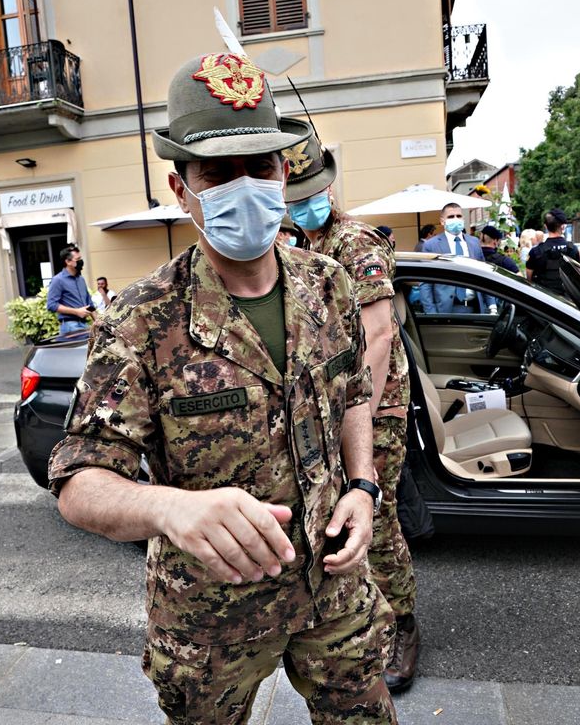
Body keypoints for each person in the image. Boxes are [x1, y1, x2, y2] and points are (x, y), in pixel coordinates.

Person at [48, 53, 396, 724]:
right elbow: (79, 481)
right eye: (218, 173)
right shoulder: (141, 318)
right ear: (182, 189)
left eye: (260, 167)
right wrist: (170, 509)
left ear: (283, 172)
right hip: (214, 615)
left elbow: (354, 394)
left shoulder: (328, 284)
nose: (245, 185)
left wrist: (362, 486)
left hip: (334, 588)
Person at [285, 135, 419, 692]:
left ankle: (404, 624)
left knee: (375, 511)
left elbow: (380, 333)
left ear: (329, 187)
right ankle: (360, 615)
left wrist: (353, 408)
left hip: (373, 401)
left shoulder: (354, 241)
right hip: (330, 402)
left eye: (312, 191)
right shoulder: (303, 242)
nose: (305, 202)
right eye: (295, 195)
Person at [419, 202, 484, 313]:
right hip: (446, 310)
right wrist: (432, 314)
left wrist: (491, 305)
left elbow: (484, 275)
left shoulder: (474, 242)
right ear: (442, 221)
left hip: (475, 308)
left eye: (458, 216)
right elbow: (425, 283)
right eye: (451, 216)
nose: (455, 219)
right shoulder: (431, 245)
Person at [525, 209, 575, 295]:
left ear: (545, 226)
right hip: (567, 302)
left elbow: (529, 278)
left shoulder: (536, 251)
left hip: (543, 300)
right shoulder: (573, 250)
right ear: (563, 227)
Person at [46, 245, 93, 335]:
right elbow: (51, 305)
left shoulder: (81, 279)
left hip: (85, 325)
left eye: (80, 258)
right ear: (68, 261)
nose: (81, 261)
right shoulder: (58, 280)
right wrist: (77, 311)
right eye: (77, 259)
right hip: (70, 326)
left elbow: (90, 304)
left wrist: (98, 322)